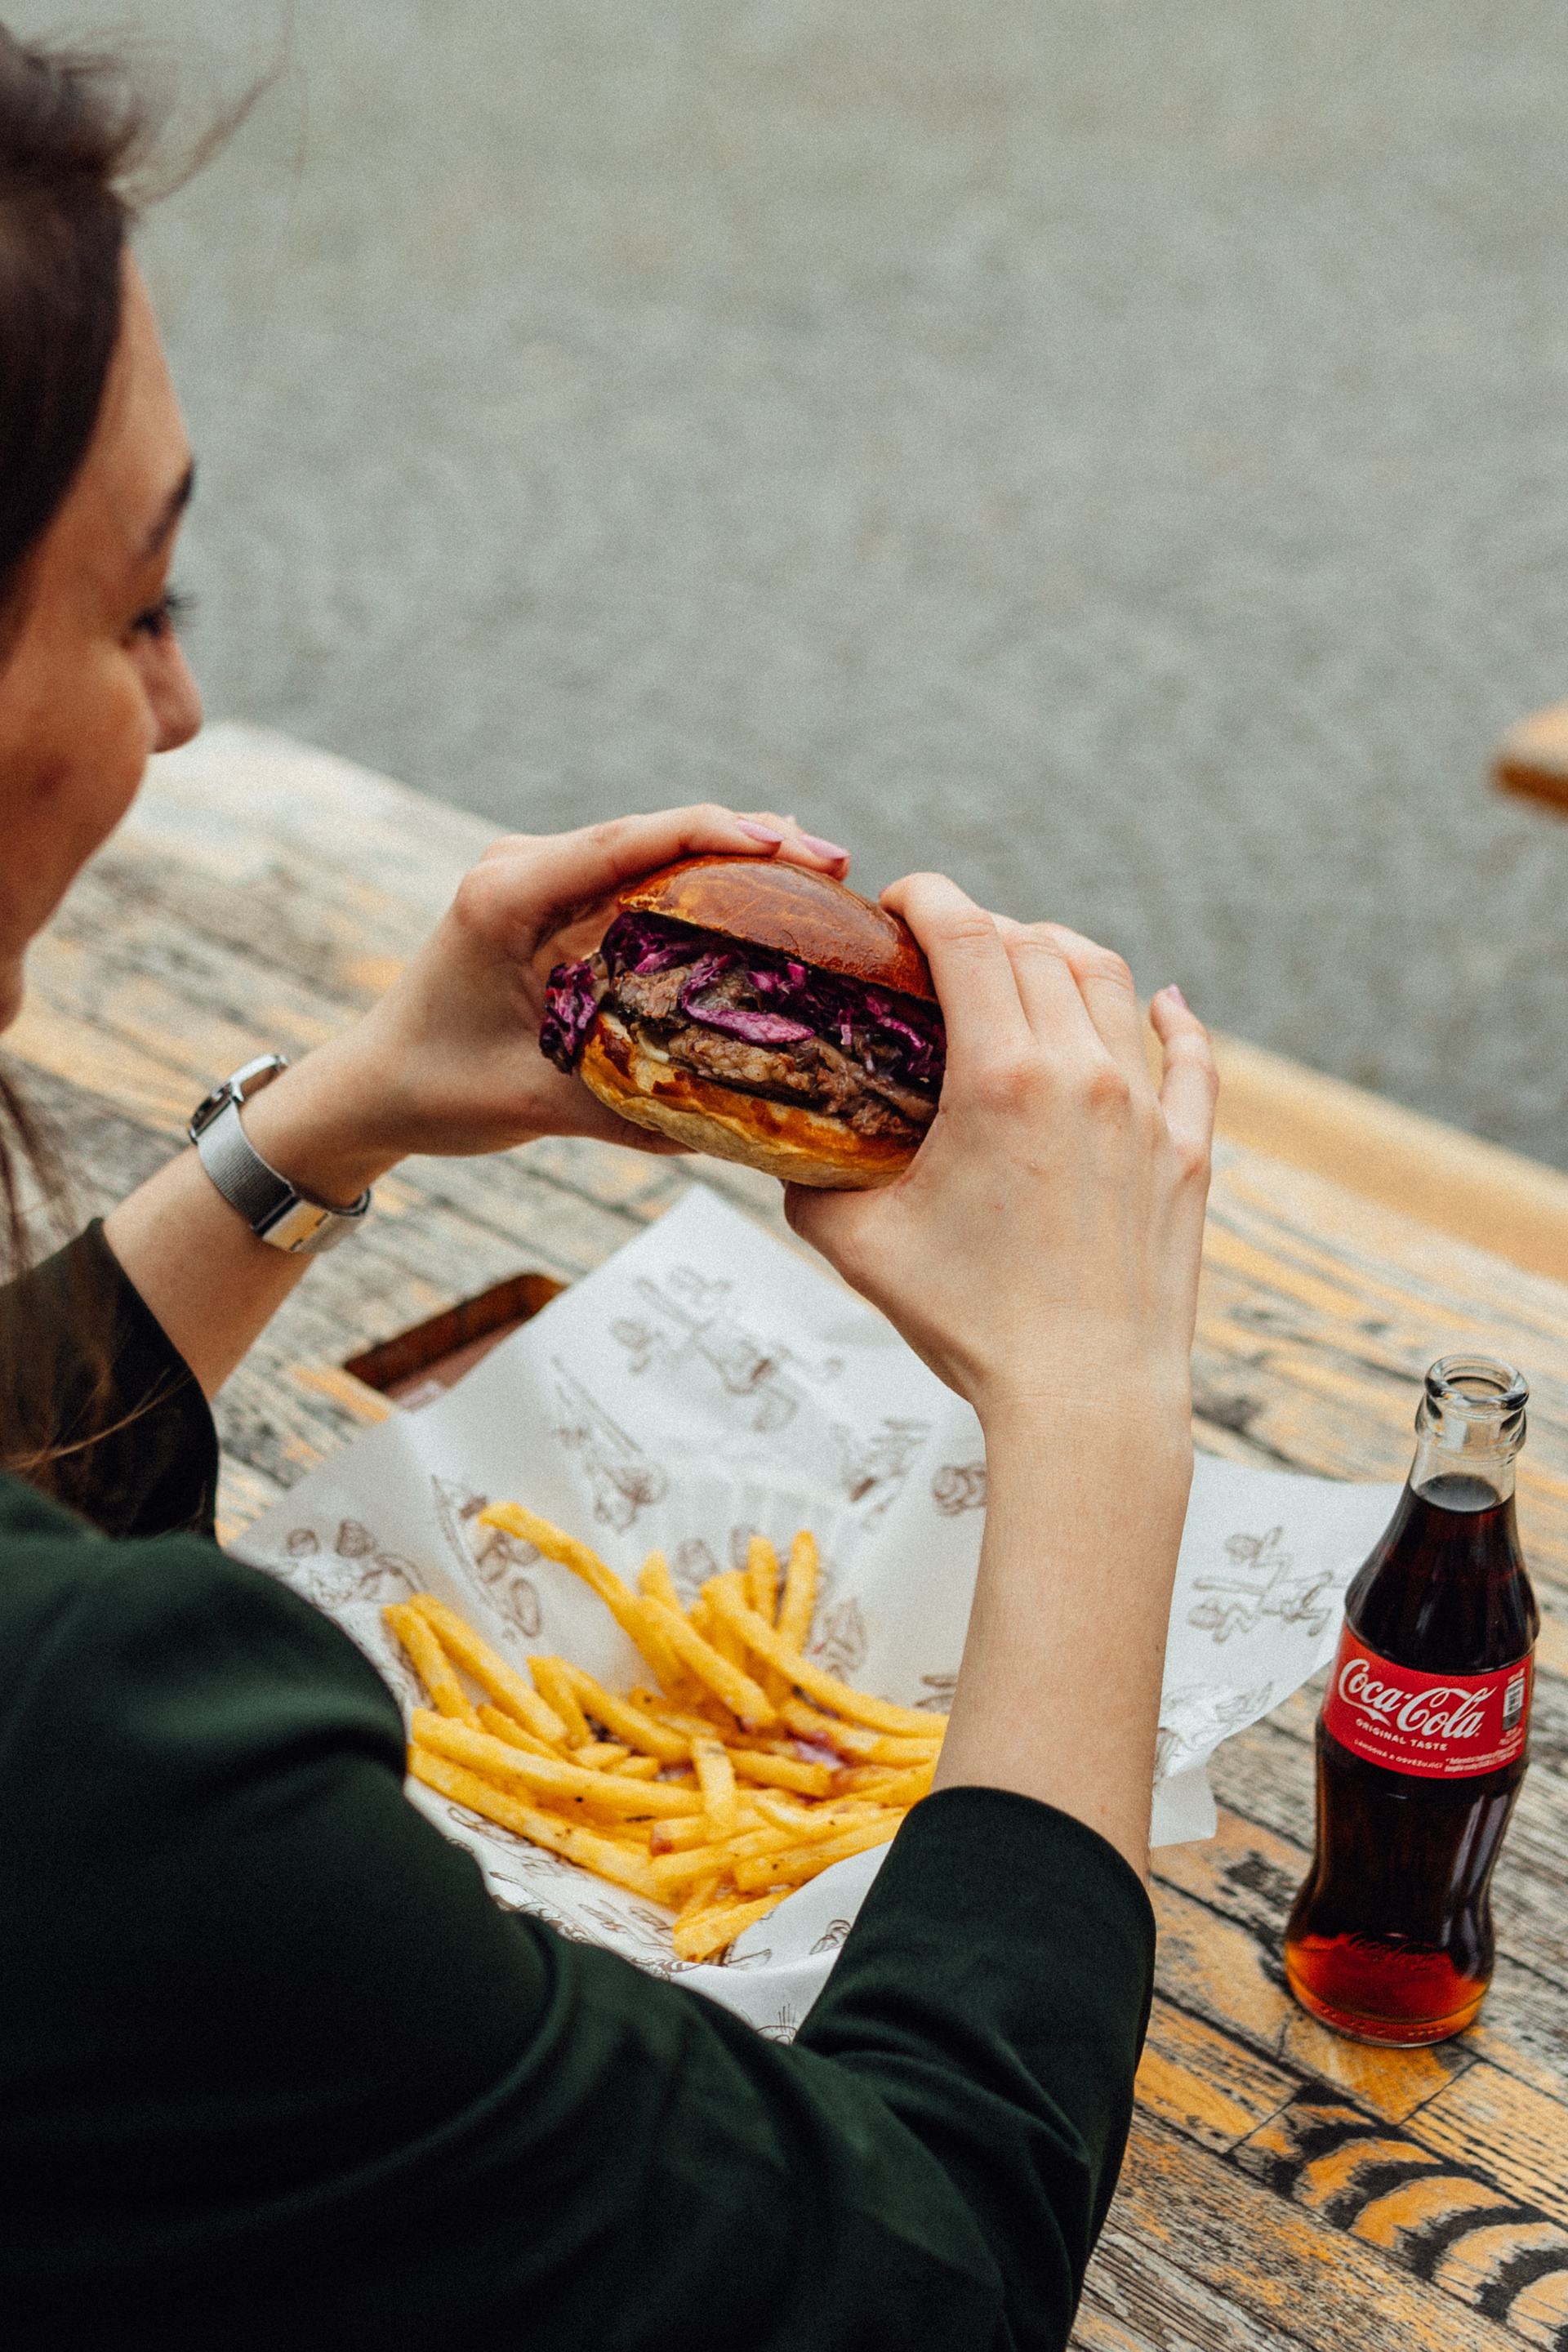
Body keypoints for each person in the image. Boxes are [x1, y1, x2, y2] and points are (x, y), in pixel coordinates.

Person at [0, 31, 1217, 2351]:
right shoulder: (114, 1770)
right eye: (139, 606)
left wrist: (329, 1118)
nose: (173, 716)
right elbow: (911, 2268)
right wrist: (1094, 1406)